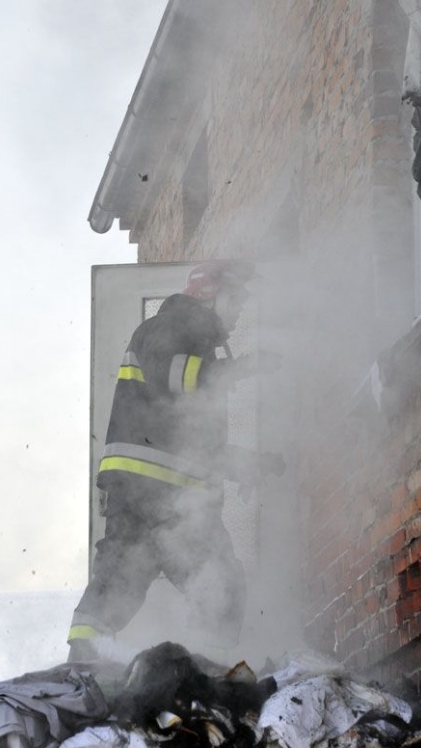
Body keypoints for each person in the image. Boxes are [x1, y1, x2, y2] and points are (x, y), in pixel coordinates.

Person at [67, 259, 284, 663]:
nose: (238, 316)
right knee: (207, 583)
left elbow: (190, 441)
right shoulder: (174, 325)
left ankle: (190, 669)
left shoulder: (193, 339)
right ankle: (91, 662)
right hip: (154, 490)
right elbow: (171, 373)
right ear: (210, 295)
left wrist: (248, 464)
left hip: (161, 491)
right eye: (235, 302)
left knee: (135, 580)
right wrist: (239, 369)